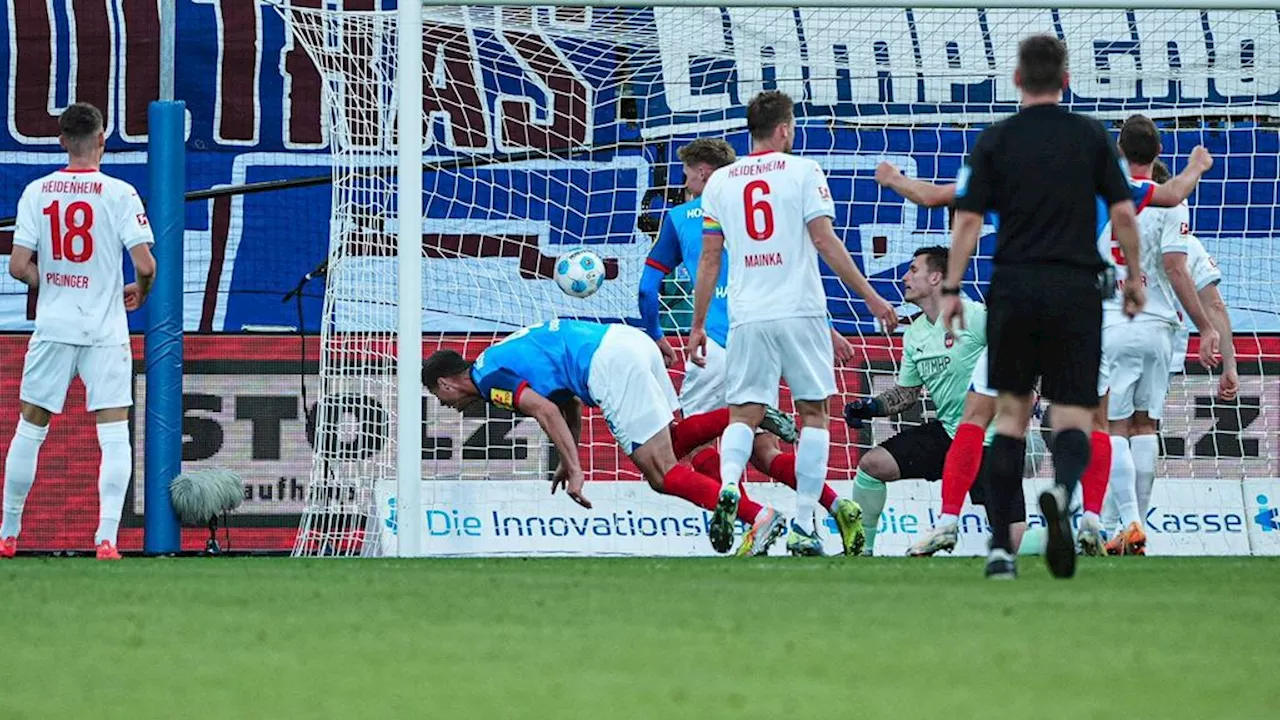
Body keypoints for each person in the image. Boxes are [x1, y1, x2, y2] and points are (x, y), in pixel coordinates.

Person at [873, 151, 1210, 557]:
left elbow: (932, 196)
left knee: (977, 416)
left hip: (1017, 311)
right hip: (1078, 315)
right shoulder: (1097, 187)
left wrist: (892, 179)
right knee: (1096, 421)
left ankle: (947, 520)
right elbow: (1173, 194)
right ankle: (1090, 520)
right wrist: (1197, 166)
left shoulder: (1006, 184)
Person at [941, 34, 1147, 580]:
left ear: (1016, 80)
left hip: (1014, 290)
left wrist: (952, 287)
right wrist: (1133, 278)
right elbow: (1125, 213)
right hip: (1078, 291)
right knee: (1075, 416)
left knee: (1009, 420)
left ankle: (1001, 553)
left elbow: (966, 220)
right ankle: (1061, 491)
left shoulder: (994, 140)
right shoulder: (1090, 136)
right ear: (1066, 80)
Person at [688, 90, 898, 556]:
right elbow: (824, 241)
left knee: (744, 413)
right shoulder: (803, 170)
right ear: (785, 129)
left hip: (746, 315)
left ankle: (727, 486)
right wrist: (871, 297)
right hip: (799, 309)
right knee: (813, 414)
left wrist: (699, 324)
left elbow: (709, 257)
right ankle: (805, 524)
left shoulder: (721, 181)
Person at [639, 138, 865, 556]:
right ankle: (836, 504)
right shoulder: (769, 201)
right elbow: (792, 265)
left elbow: (648, 287)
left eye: (687, 170)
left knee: (697, 445)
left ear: (705, 172)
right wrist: (828, 329)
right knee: (764, 451)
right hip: (775, 325)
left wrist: (656, 333)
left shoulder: (683, 215)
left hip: (722, 341)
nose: (683, 178)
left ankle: (754, 521)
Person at [422, 319, 790, 556]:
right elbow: (564, 402)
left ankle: (758, 515)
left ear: (445, 382)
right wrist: (573, 456)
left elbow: (545, 411)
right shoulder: (496, 359)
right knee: (674, 446)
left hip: (606, 363)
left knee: (661, 475)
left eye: (441, 398)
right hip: (626, 339)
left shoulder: (488, 379)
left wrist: (576, 468)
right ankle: (743, 415)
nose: (447, 406)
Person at [1, 102, 157, 560]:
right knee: (113, 435)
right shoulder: (120, 193)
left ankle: (9, 533)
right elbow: (146, 264)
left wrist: (47, 282)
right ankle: (106, 538)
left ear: (63, 140)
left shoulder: (37, 191)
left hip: (54, 325)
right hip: (105, 329)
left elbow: (16, 266)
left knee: (30, 428)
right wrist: (140, 291)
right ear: (103, 140)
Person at [1083, 116, 1223, 557]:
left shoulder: (1105, 195)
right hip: (1161, 325)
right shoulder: (1171, 202)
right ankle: (1133, 530)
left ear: (1120, 149)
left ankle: (1129, 523)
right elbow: (1178, 269)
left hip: (1114, 320)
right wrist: (1204, 326)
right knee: (1147, 426)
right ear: (1159, 151)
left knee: (1112, 426)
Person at [841, 246, 1017, 556]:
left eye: (913, 269)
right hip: (949, 433)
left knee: (1012, 539)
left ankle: (1063, 540)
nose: (904, 277)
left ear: (936, 277)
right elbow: (906, 394)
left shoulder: (974, 316)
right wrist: (871, 408)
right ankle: (861, 552)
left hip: (991, 439)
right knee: (871, 465)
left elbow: (1019, 356)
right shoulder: (915, 334)